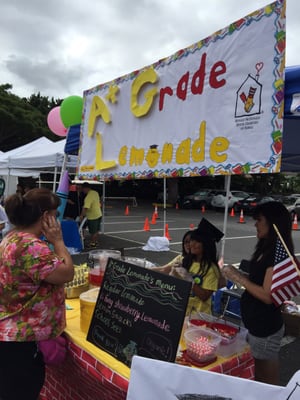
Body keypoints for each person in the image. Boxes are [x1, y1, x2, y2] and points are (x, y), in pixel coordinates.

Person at [0, 188, 74, 399]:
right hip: (22, 341)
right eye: (56, 214)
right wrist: (58, 241)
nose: (57, 220)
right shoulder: (31, 246)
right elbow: (66, 273)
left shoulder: (12, 237)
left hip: (10, 332)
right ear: (45, 216)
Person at [222, 201, 293, 385]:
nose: (255, 224)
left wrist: (239, 278)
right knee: (256, 375)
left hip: (265, 329)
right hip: (254, 323)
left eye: (259, 220)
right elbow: (259, 281)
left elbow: (267, 296)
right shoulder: (265, 248)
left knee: (266, 381)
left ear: (272, 223)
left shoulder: (278, 253)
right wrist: (239, 274)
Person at [183, 229, 221, 316]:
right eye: (192, 240)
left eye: (197, 241)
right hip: (183, 312)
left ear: (206, 244)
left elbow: (204, 296)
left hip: (200, 317)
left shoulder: (211, 269)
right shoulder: (186, 261)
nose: (192, 244)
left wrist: (189, 279)